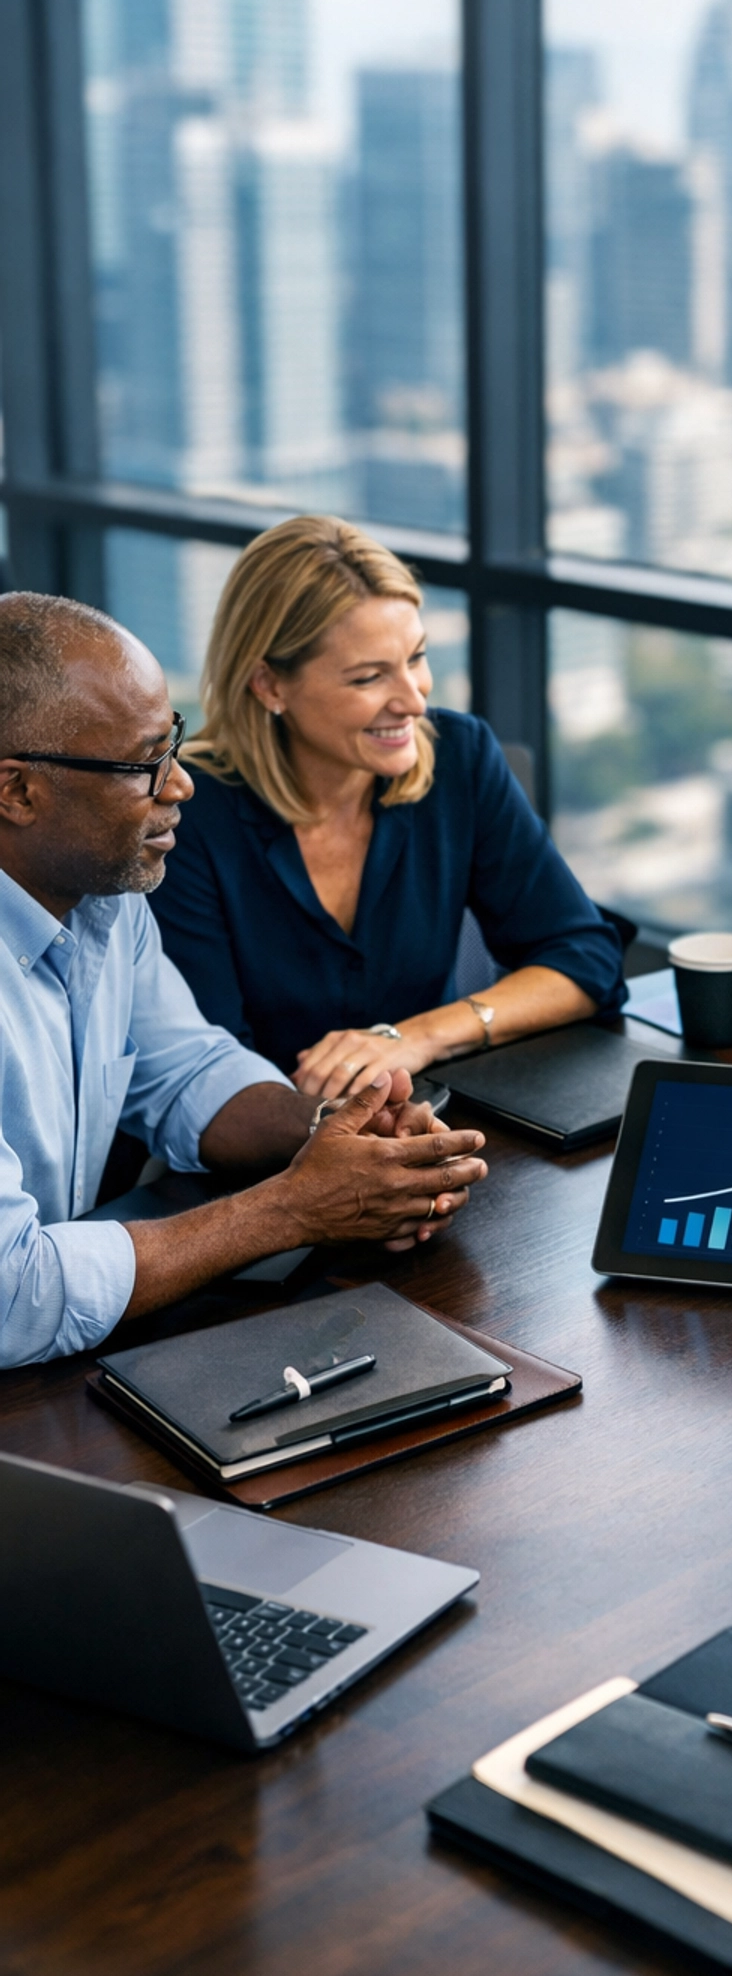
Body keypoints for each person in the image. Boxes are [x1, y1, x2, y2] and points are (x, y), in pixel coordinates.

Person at [0, 591, 490, 1369]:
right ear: (18, 791)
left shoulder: (102, 899)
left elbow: (187, 1069)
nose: (179, 786)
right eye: (142, 765)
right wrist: (293, 1209)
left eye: (174, 745)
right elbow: (11, 1292)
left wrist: (338, 1138)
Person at [150, 516, 624, 1100]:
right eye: (369, 677)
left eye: (417, 658)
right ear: (268, 685)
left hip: (433, 1125)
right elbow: (207, 1070)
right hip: (266, 1154)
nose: (413, 698)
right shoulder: (187, 812)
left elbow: (584, 959)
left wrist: (416, 1037)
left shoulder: (461, 759)